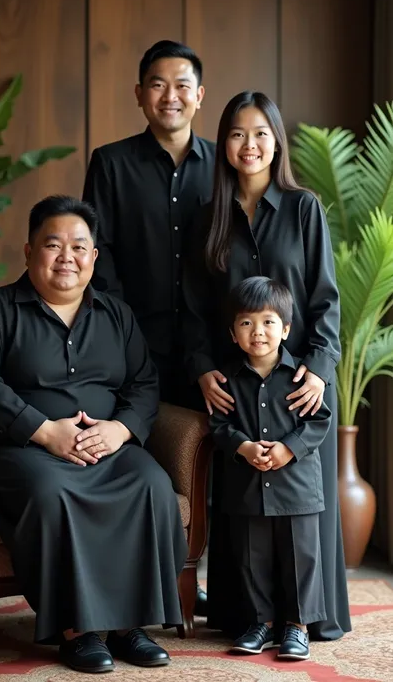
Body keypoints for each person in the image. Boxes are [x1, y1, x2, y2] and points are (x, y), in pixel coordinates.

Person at [0, 195, 188, 675]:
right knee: (53, 492)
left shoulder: (117, 315)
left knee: (152, 485)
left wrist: (120, 430)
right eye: (53, 244)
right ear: (28, 250)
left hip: (106, 447)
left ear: (94, 256)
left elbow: (143, 384)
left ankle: (130, 626)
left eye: (79, 246)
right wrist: (42, 431)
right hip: (19, 449)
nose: (67, 257)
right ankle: (77, 631)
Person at [183, 90, 351, 641]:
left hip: (299, 383)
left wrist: (321, 371)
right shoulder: (209, 217)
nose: (249, 145)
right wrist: (205, 367)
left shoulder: (303, 208)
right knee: (246, 514)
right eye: (236, 134)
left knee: (302, 512)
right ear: (223, 144)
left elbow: (326, 299)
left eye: (260, 133)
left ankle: (301, 620)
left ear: (276, 141)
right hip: (237, 388)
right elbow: (195, 308)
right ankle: (249, 619)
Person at [83, 39, 215, 613]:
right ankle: (130, 585)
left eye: (182, 84)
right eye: (157, 84)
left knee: (206, 462)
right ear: (139, 95)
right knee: (135, 456)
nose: (171, 95)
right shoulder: (111, 163)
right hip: (131, 346)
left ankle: (197, 582)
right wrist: (122, 331)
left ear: (200, 96)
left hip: (209, 348)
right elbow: (98, 252)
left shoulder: (226, 165)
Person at [209, 276, 331, 660]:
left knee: (300, 559)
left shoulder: (301, 379)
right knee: (251, 557)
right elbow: (218, 425)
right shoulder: (227, 380)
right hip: (246, 487)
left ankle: (296, 627)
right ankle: (259, 623)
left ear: (286, 328)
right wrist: (243, 447)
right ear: (232, 333)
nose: (257, 332)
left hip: (296, 487)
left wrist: (288, 449)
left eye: (268, 322)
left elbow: (318, 422)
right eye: (246, 323)